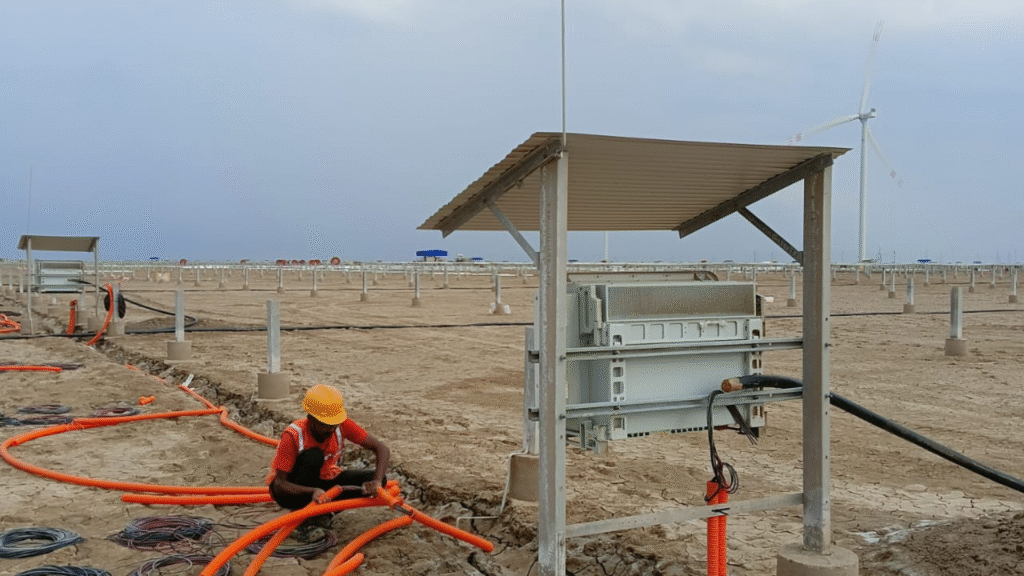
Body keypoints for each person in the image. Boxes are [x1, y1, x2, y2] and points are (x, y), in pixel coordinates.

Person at [267, 383, 390, 514]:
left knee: (378, 478)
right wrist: (312, 491)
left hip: (323, 484)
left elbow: (381, 449)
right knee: (314, 456)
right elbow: (280, 485)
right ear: (310, 418)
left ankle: (326, 510)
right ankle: (304, 514)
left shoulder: (342, 425)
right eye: (324, 425)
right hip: (292, 492)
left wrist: (376, 482)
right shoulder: (294, 435)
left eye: (333, 424)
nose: (330, 430)